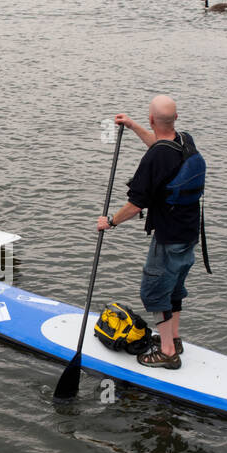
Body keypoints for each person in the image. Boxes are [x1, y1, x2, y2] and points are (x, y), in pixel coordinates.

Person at [95, 96, 205, 370]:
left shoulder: (157, 156)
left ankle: (167, 352)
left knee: (154, 292)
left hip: (168, 237)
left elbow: (136, 205)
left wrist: (110, 222)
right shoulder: (184, 140)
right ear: (175, 119)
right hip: (190, 233)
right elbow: (161, 147)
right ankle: (174, 339)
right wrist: (132, 126)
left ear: (152, 119)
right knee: (174, 288)